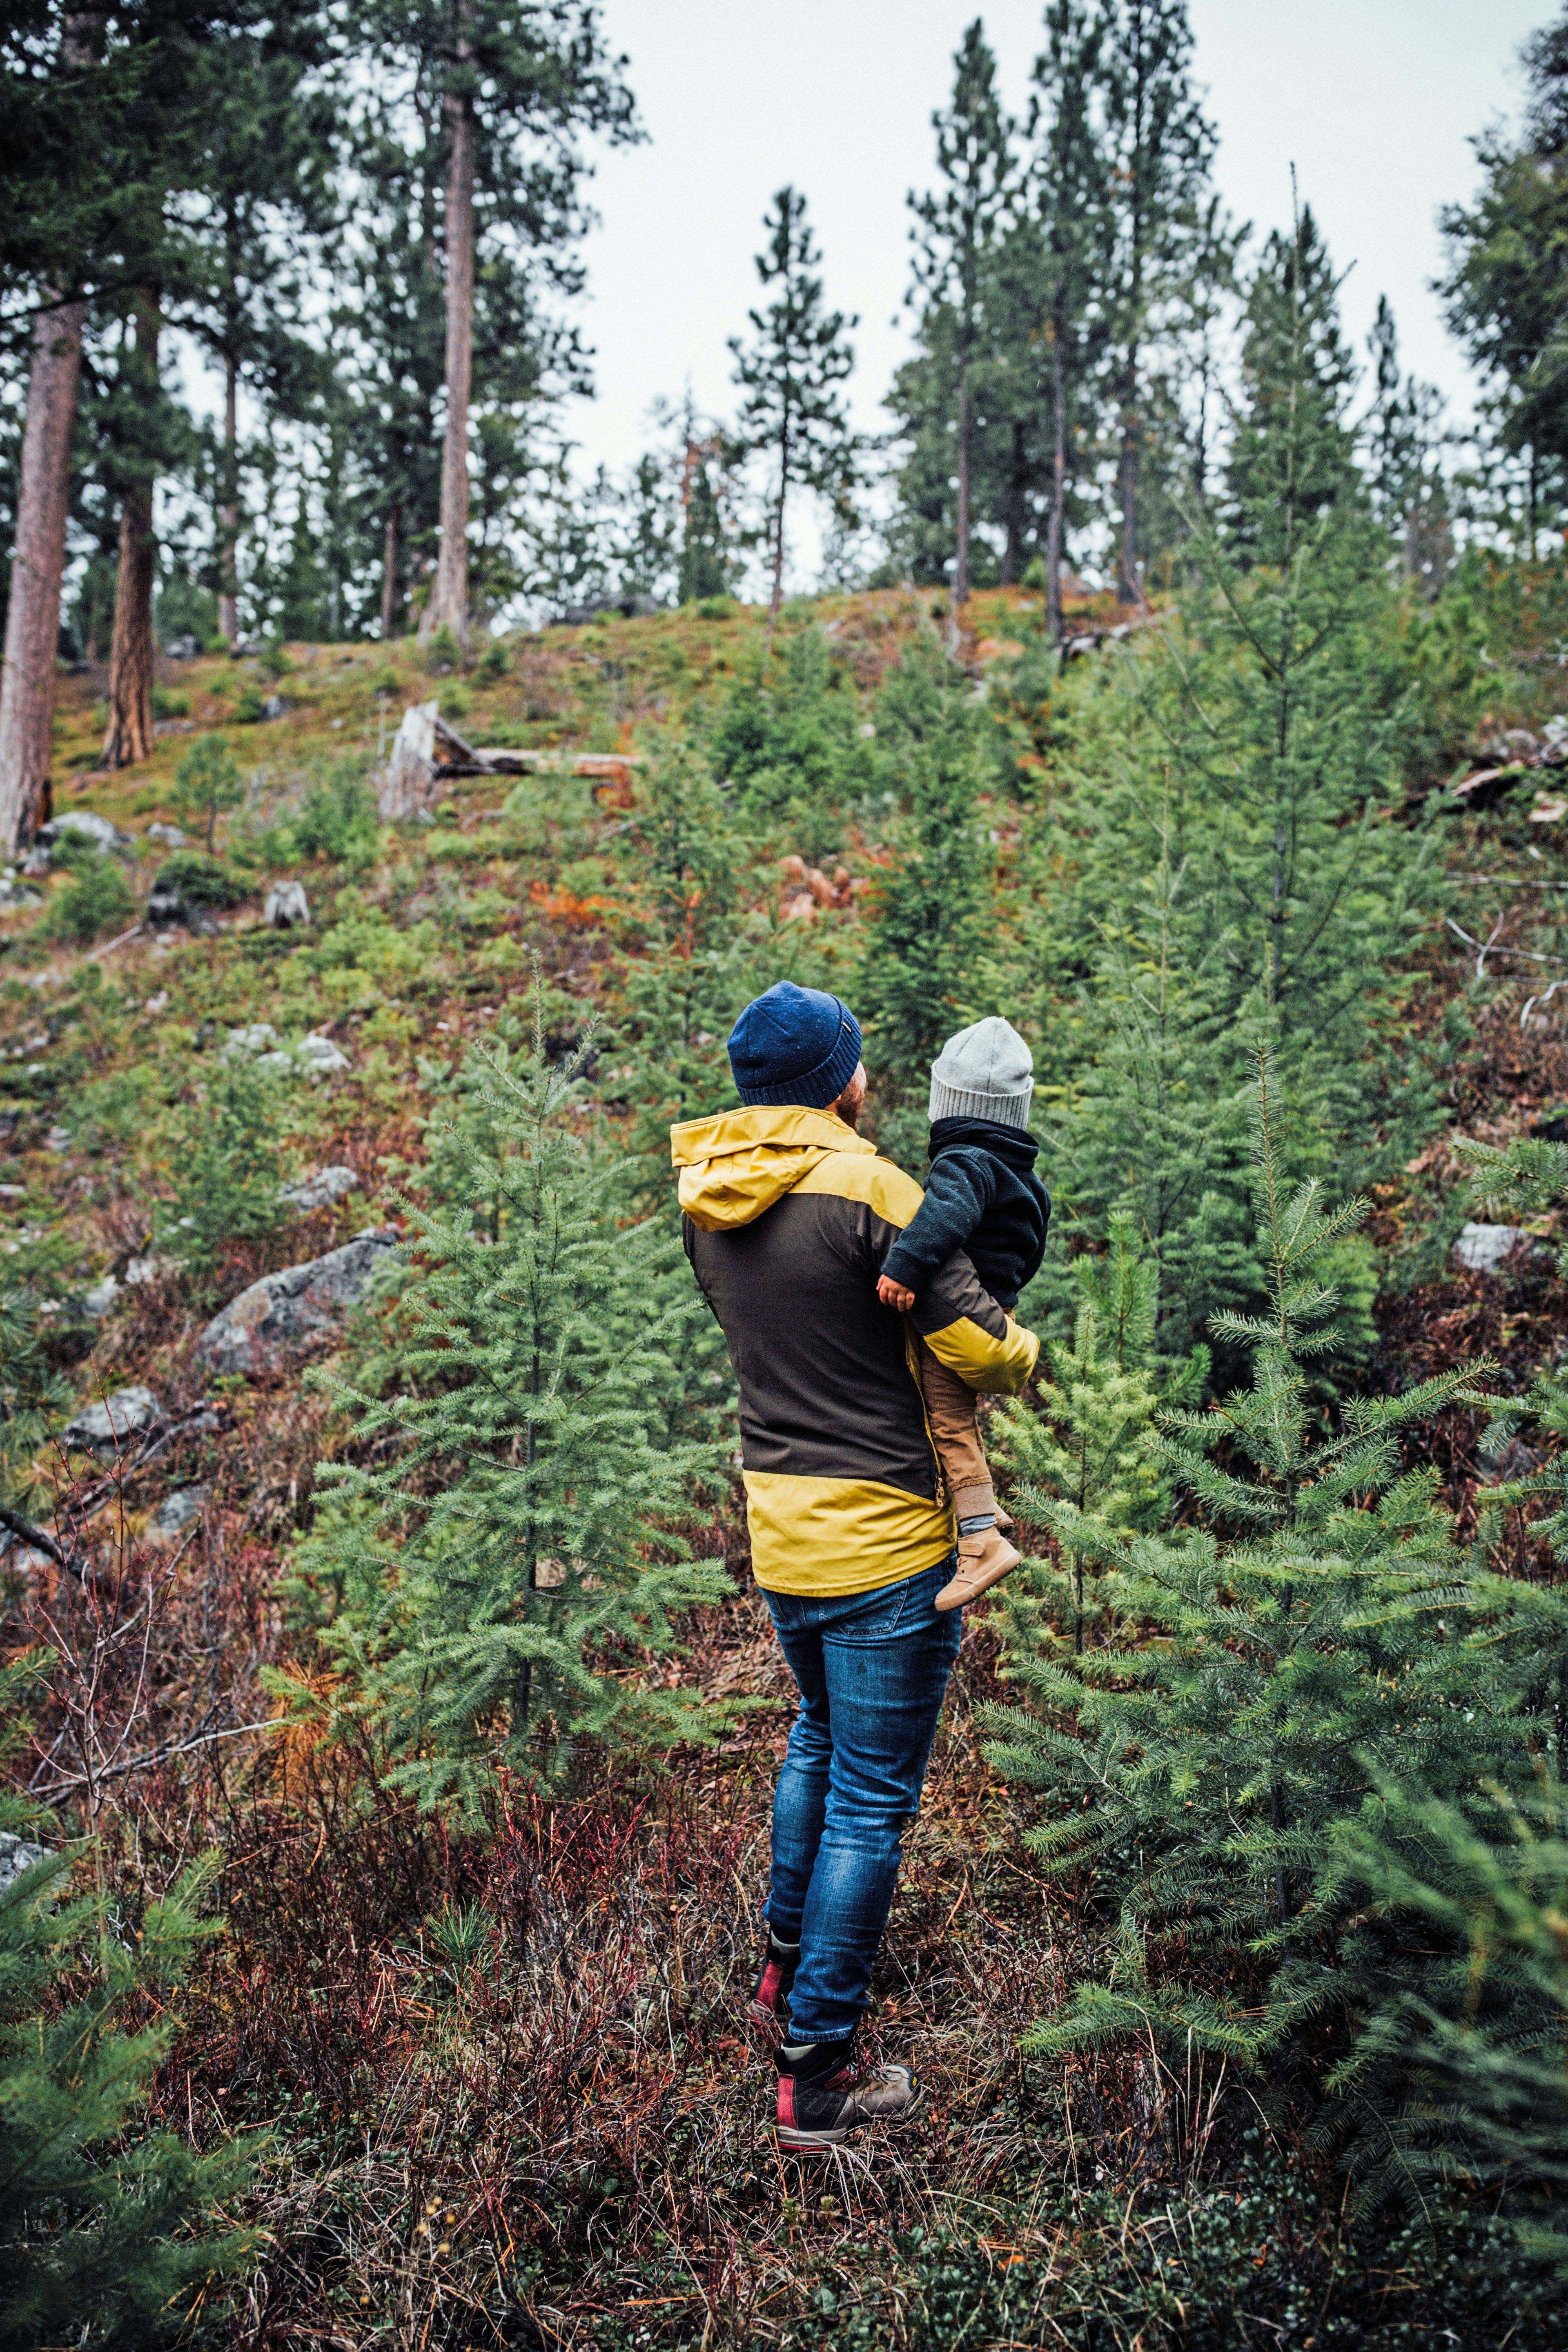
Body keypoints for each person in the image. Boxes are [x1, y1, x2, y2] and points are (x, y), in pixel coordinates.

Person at [671, 980, 1038, 2152]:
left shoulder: (705, 1199)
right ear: (844, 1081)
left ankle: (784, 1974)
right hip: (885, 1536)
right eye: (859, 1059)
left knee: (819, 1744)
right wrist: (1026, 1349)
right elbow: (980, 1345)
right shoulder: (877, 1190)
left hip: (780, 1527)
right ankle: (818, 2070)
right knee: (872, 1801)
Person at [875, 1017, 1051, 1612]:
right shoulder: (1018, 1170)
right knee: (961, 1417)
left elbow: (944, 1214)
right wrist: (1003, 1291)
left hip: (960, 1309)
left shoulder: (965, 1161)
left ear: (946, 1103)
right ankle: (983, 1500)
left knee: (946, 1418)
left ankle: (980, 1539)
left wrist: (906, 1264)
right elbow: (1033, 1243)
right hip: (994, 1305)